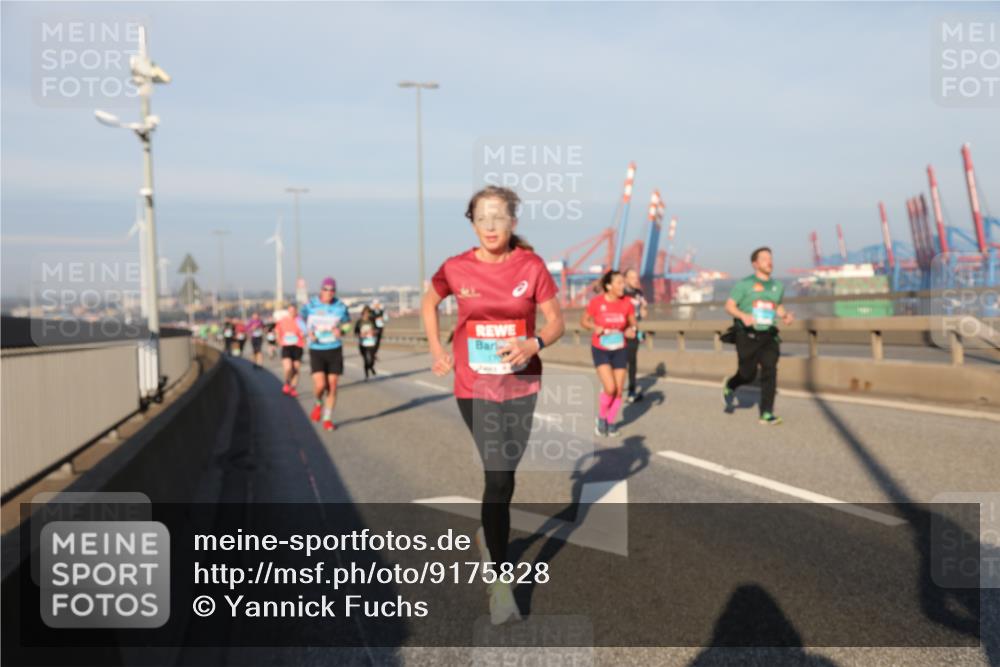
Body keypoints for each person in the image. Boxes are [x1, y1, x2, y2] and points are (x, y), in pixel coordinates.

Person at [422, 185, 563, 625]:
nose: (490, 225)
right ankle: (500, 585)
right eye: (481, 217)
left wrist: (533, 342)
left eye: (498, 217)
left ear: (512, 223)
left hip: (521, 383)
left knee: (508, 478)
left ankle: (490, 534)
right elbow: (430, 302)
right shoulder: (456, 267)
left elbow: (557, 320)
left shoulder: (531, 265)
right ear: (472, 222)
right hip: (474, 384)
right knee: (498, 477)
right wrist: (436, 349)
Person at [722, 247, 794, 425]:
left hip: (769, 335)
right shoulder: (744, 284)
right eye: (764, 259)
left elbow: (776, 306)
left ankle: (766, 413)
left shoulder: (778, 286)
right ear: (755, 264)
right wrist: (742, 316)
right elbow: (729, 306)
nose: (769, 262)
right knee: (748, 374)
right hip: (747, 334)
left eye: (770, 258)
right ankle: (731, 384)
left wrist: (784, 315)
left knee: (770, 370)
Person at [581, 270, 637, 437]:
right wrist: (593, 327)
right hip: (601, 349)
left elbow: (633, 324)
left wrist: (631, 330)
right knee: (610, 388)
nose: (623, 286)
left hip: (620, 348)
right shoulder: (597, 303)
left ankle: (610, 421)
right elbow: (584, 321)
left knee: (619, 390)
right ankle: (601, 418)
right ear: (608, 286)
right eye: (619, 283)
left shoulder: (627, 303)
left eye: (623, 282)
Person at [301, 277, 350, 431]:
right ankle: (317, 403)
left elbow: (348, 324)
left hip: (334, 348)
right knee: (321, 384)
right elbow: (300, 322)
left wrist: (341, 330)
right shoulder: (310, 305)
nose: (329, 292)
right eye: (326, 289)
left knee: (333, 386)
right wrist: (308, 333)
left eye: (332, 290)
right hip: (317, 349)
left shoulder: (340, 307)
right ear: (321, 290)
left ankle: (327, 418)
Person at [623, 268, 649, 403]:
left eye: (636, 277)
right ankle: (612, 388)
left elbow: (643, 315)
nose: (635, 280)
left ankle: (631, 391)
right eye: (632, 277)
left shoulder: (639, 293)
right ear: (625, 279)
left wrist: (644, 307)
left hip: (634, 331)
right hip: (621, 332)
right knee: (620, 362)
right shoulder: (621, 293)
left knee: (632, 361)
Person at [275, 303, 305, 396]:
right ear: (288, 311)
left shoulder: (300, 321)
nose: (292, 312)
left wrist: (303, 336)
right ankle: (287, 383)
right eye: (290, 311)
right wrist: (278, 339)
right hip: (286, 346)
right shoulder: (283, 320)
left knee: (296, 369)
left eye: (294, 311)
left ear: (296, 311)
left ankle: (293, 388)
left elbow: (305, 331)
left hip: (297, 346)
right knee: (288, 368)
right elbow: (277, 330)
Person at [355, 306, 379, 379]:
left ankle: (371, 367)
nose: (367, 314)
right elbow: (356, 332)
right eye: (365, 313)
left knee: (371, 359)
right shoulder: (359, 322)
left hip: (371, 342)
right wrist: (360, 334)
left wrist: (374, 332)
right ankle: (366, 375)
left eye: (368, 313)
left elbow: (378, 330)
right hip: (363, 343)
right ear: (362, 314)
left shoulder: (372, 321)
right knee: (365, 359)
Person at [370, 298, 388, 374]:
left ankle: (374, 353)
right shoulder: (371, 311)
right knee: (373, 341)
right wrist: (376, 318)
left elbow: (386, 318)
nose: (377, 305)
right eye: (375, 304)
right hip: (373, 328)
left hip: (380, 327)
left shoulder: (382, 311)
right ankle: (372, 353)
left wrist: (383, 318)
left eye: (378, 304)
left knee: (378, 341)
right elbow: (369, 318)